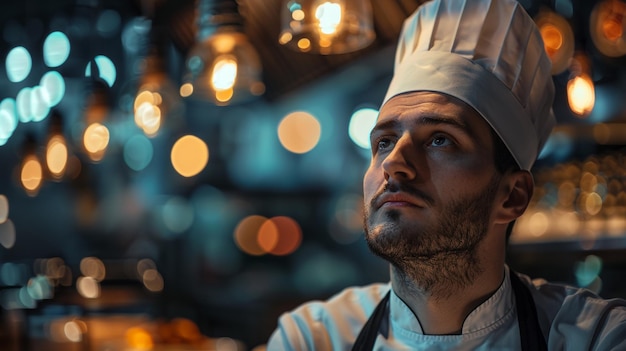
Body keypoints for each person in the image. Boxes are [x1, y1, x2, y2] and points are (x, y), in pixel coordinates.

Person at [266, 0, 626, 349]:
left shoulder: (596, 336)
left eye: (440, 140)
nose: (394, 163)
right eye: (384, 142)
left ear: (512, 195)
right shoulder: (313, 338)